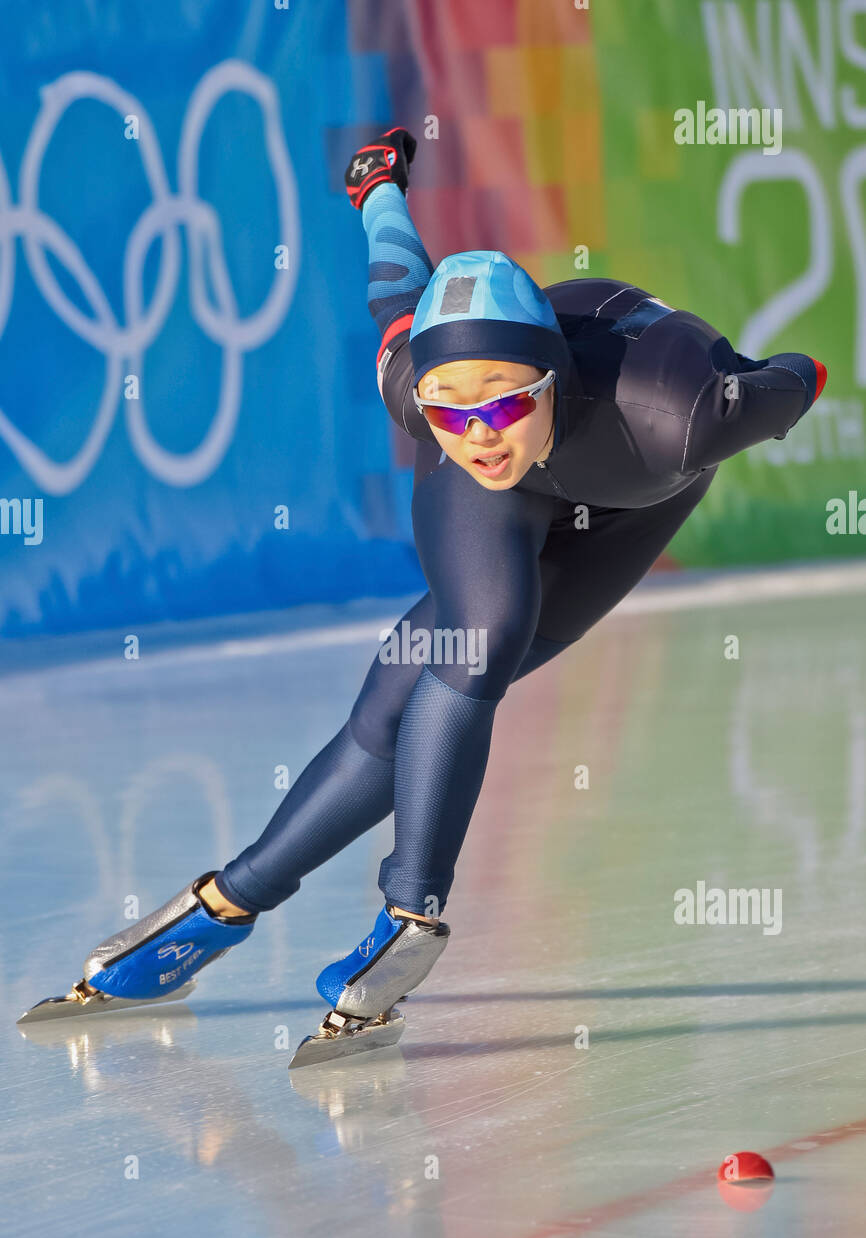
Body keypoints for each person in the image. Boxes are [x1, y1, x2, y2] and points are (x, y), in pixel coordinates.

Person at [20, 129, 827, 1060]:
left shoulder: (683, 419)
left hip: (628, 486)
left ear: (553, 384)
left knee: (476, 648)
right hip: (524, 484)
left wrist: (786, 379)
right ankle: (237, 906)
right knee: (437, 667)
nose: (478, 432)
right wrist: (378, 184)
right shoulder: (424, 391)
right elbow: (399, 279)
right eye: (452, 411)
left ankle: (393, 910)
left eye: (500, 404)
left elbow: (795, 377)